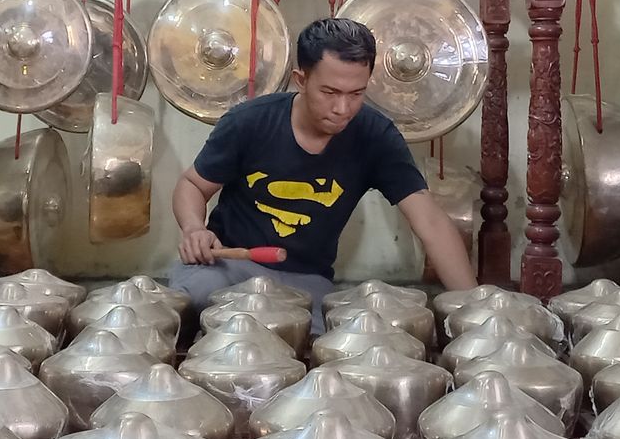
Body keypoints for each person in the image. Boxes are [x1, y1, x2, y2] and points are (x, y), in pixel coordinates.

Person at [168, 17, 478, 337]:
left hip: (306, 281)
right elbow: (192, 185)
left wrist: (473, 310)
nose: (342, 108)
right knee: (192, 305)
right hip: (227, 267)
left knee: (335, 343)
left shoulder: (375, 136)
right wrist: (194, 228)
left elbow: (431, 222)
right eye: (330, 92)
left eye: (356, 93)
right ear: (300, 79)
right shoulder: (249, 122)